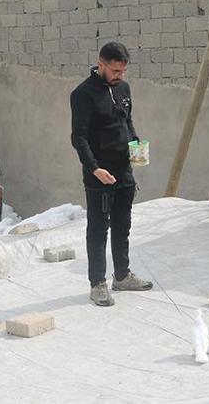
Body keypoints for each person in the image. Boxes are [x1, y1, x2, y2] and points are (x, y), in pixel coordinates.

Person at [70, 42, 153, 306]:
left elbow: (126, 120)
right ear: (101, 64)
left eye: (123, 71)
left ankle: (122, 276)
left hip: (123, 170)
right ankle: (97, 283)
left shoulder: (124, 89)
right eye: (115, 71)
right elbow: (78, 137)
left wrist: (136, 145)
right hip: (99, 174)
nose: (120, 76)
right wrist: (94, 168)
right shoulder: (82, 94)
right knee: (98, 229)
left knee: (122, 226)